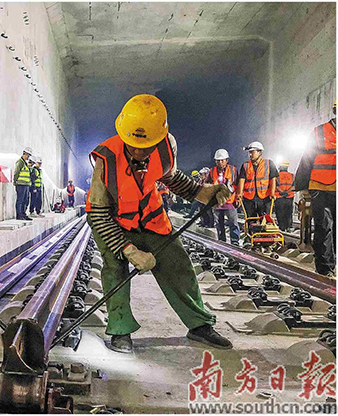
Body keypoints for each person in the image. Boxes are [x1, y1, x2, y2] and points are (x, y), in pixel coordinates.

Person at [85, 94, 232, 353]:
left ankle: (199, 325)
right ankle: (120, 329)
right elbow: (97, 214)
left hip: (152, 218)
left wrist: (202, 192)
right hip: (115, 224)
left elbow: (170, 177)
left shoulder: (165, 146)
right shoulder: (105, 159)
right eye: (134, 146)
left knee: (179, 265)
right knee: (114, 269)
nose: (139, 151)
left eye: (146, 146)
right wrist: (130, 251)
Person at [295, 102, 336, 277]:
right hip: (320, 187)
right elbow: (307, 157)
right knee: (323, 226)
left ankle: (332, 262)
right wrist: (302, 186)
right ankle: (325, 268)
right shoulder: (320, 131)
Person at [236, 141, 279, 219]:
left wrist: (272, 193)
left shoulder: (269, 163)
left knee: (265, 220)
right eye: (249, 152)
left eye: (252, 152)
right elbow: (242, 180)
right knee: (250, 220)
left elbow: (273, 179)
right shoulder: (245, 166)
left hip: (264, 198)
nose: (250, 154)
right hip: (249, 198)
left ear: (260, 152)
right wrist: (240, 193)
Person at [207, 149, 240, 245]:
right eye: (218, 160)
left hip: (230, 201)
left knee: (233, 222)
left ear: (227, 160)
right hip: (217, 202)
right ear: (215, 161)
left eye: (222, 160)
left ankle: (235, 241)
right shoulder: (212, 171)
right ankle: (222, 241)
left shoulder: (233, 170)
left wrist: (238, 198)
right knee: (219, 223)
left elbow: (238, 184)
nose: (220, 162)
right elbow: (208, 185)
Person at [274, 161, 295, 232]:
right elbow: (294, 186)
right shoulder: (292, 176)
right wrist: (287, 191)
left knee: (280, 213)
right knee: (288, 213)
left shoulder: (276, 176)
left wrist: (282, 192)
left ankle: (282, 227)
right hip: (289, 197)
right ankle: (288, 227)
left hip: (279, 197)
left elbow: (275, 185)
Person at [14, 147, 33, 220]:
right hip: (20, 184)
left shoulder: (25, 163)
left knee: (26, 200)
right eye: (28, 155)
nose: (28, 157)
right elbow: (16, 172)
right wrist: (15, 181)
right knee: (20, 200)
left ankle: (23, 213)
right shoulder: (20, 162)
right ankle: (19, 215)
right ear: (25, 154)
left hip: (26, 184)